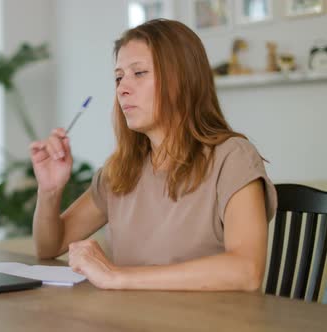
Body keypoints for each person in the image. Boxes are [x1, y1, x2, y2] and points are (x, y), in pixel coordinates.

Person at [29, 19, 277, 291]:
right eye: (118, 77)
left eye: (139, 73)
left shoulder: (233, 158)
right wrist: (50, 191)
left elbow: (246, 271)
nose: (122, 88)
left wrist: (117, 276)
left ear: (181, 79)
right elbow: (50, 246)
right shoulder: (120, 170)